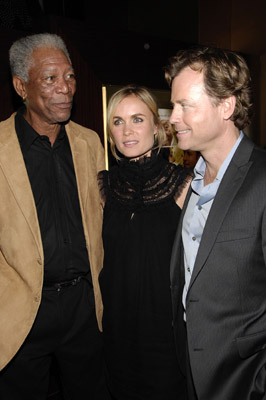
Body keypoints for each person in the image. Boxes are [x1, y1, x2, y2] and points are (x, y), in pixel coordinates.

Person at [0, 32, 107, 399]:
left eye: (71, 76)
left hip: (83, 308)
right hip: (22, 311)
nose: (66, 88)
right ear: (21, 86)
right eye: (50, 78)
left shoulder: (89, 142)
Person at [164, 45, 266, 400]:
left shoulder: (263, 180)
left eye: (185, 106)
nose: (173, 117)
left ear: (227, 106)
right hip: (191, 375)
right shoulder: (192, 181)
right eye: (173, 105)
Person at [98, 84, 192, 400]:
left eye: (137, 119)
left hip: (165, 337)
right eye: (118, 121)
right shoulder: (103, 187)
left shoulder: (184, 185)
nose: (127, 131)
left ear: (157, 126)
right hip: (116, 333)